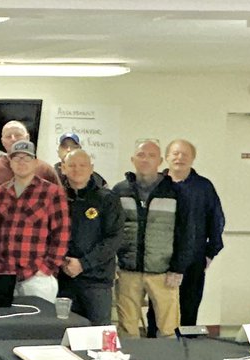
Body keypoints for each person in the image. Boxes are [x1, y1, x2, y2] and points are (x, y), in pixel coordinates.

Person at [113, 140, 196, 336]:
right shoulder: (119, 191)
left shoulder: (176, 192)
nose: (146, 160)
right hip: (128, 271)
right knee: (127, 329)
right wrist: (114, 262)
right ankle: (128, 357)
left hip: (164, 273)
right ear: (132, 159)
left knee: (169, 330)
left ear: (160, 161)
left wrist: (178, 268)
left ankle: (170, 357)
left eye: (151, 156)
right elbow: (111, 230)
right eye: (141, 155)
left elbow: (186, 233)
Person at [0, 140, 70, 302]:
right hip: (4, 274)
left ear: (35, 162)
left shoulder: (52, 192)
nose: (21, 162)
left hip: (38, 277)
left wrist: (47, 268)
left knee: (40, 319)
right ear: (10, 162)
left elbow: (62, 234)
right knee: (5, 318)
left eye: (26, 158)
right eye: (16, 158)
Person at [164, 138, 226, 325]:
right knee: (159, 314)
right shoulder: (158, 184)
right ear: (166, 157)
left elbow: (216, 220)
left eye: (185, 154)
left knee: (188, 311)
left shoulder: (203, 187)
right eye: (175, 153)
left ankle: (187, 344)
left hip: (194, 259)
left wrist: (210, 253)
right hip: (161, 260)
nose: (180, 158)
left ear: (193, 158)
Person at [58, 149, 123, 324]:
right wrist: (62, 261)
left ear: (91, 168)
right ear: (63, 168)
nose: (77, 169)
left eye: (82, 165)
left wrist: (83, 264)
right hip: (64, 279)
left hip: (97, 281)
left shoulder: (107, 199)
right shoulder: (56, 197)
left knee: (98, 332)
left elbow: (114, 238)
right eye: (72, 165)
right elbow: (50, 234)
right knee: (64, 330)